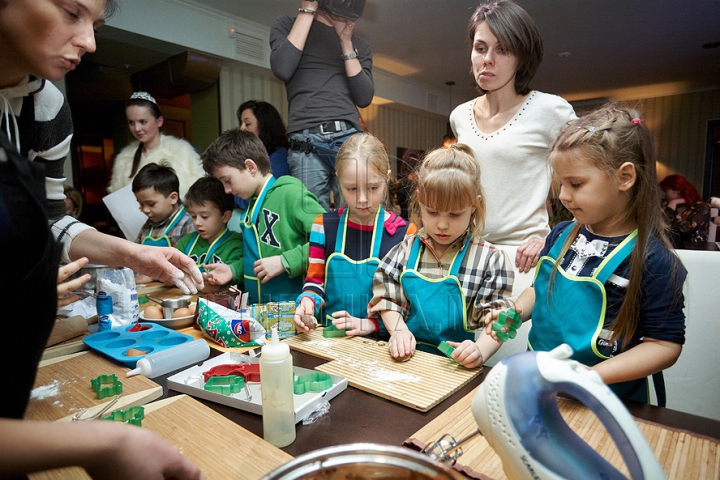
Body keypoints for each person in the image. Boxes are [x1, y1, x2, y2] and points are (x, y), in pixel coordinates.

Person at [0, 1, 204, 478]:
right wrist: (100, 443)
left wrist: (132, 253)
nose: (89, 42)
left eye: (96, 23)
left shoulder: (47, 107)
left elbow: (52, 219)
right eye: (72, 12)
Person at [486, 105, 687, 405]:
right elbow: (542, 290)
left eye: (576, 184)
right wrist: (515, 311)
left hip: (609, 401)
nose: (564, 195)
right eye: (561, 183)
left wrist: (593, 375)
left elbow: (664, 345)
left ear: (625, 177)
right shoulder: (561, 234)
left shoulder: (654, 262)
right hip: (541, 389)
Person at [449, 0, 576, 276]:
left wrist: (558, 237)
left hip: (525, 259)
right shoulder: (459, 116)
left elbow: (592, 180)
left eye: (503, 49)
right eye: (480, 48)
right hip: (469, 257)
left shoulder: (551, 110)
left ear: (522, 57)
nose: (487, 59)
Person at [368, 144, 514, 367]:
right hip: (405, 362)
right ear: (419, 202)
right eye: (432, 212)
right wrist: (398, 331)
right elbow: (386, 296)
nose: (442, 224)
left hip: (455, 368)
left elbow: (498, 321)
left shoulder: (489, 260)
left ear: (475, 205)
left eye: (455, 214)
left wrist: (480, 351)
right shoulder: (405, 250)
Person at [294, 133, 416, 336]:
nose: (362, 199)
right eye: (351, 189)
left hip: (381, 345)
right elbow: (315, 284)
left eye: (372, 188)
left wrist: (372, 325)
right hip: (331, 340)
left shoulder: (404, 235)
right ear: (338, 181)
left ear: (387, 178)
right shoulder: (323, 227)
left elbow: (408, 305)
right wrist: (307, 302)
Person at [270, 0, 374, 210]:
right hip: (305, 140)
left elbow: (364, 98)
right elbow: (282, 68)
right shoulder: (286, 25)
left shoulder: (359, 45)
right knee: (312, 218)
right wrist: (309, 8)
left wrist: (345, 41)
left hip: (348, 138)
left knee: (357, 214)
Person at [201, 130, 325, 303]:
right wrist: (233, 270)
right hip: (263, 311)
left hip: (295, 309)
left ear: (251, 167)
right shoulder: (252, 206)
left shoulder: (290, 193)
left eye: (227, 180)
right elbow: (259, 259)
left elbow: (330, 237)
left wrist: (285, 261)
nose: (227, 190)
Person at [108, 91, 205, 201]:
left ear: (159, 121)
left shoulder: (181, 151)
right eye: (131, 122)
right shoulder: (124, 160)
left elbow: (200, 195)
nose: (137, 128)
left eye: (143, 122)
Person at [177, 177, 243, 293]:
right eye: (193, 216)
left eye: (205, 216)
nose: (197, 222)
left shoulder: (235, 245)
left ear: (226, 216)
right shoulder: (185, 242)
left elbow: (218, 288)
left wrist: (186, 279)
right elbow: (169, 279)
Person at [132, 163, 195, 248]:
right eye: (141, 204)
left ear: (173, 198)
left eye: (151, 204)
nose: (145, 210)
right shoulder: (148, 226)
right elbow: (136, 251)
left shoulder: (188, 223)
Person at [659, 174, 710, 248]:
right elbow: (663, 228)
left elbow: (688, 228)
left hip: (693, 251)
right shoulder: (666, 204)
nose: (664, 195)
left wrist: (673, 204)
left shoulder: (702, 207)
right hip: (669, 249)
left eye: (666, 191)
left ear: (677, 190)